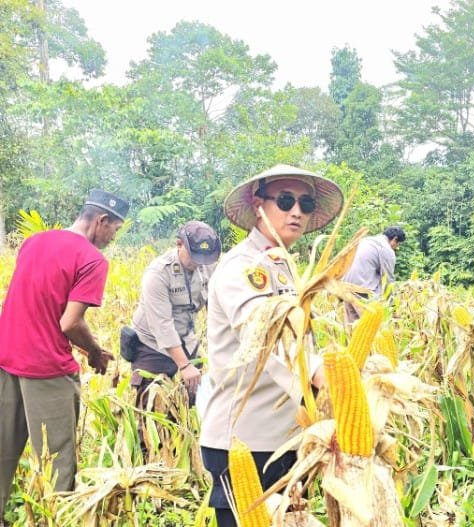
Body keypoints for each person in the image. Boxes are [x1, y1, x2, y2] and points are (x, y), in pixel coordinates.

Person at [199, 164, 343, 527]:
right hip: (244, 441)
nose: (296, 211)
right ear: (258, 204)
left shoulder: (286, 267)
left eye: (305, 203)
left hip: (287, 437)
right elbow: (264, 334)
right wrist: (319, 373)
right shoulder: (242, 268)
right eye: (285, 200)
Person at [0, 189, 128, 519]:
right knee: (57, 465)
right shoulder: (92, 259)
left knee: (2, 452)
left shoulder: (34, 242)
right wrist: (95, 352)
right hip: (47, 369)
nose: (113, 237)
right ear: (102, 220)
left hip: (6, 357)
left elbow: (36, 302)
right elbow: (69, 322)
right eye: (115, 229)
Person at [129, 221, 221, 407]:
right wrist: (185, 366)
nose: (200, 262)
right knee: (153, 408)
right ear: (180, 244)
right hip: (153, 347)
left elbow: (215, 307)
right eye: (195, 256)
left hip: (187, 340)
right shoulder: (158, 274)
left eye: (205, 257)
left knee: (190, 405)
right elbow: (162, 326)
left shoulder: (208, 266)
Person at [342, 226, 406, 321]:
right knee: (375, 325)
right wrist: (393, 307)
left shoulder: (366, 240)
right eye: (398, 244)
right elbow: (388, 280)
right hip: (362, 290)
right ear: (395, 239)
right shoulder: (386, 249)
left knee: (353, 326)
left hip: (345, 288)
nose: (397, 247)